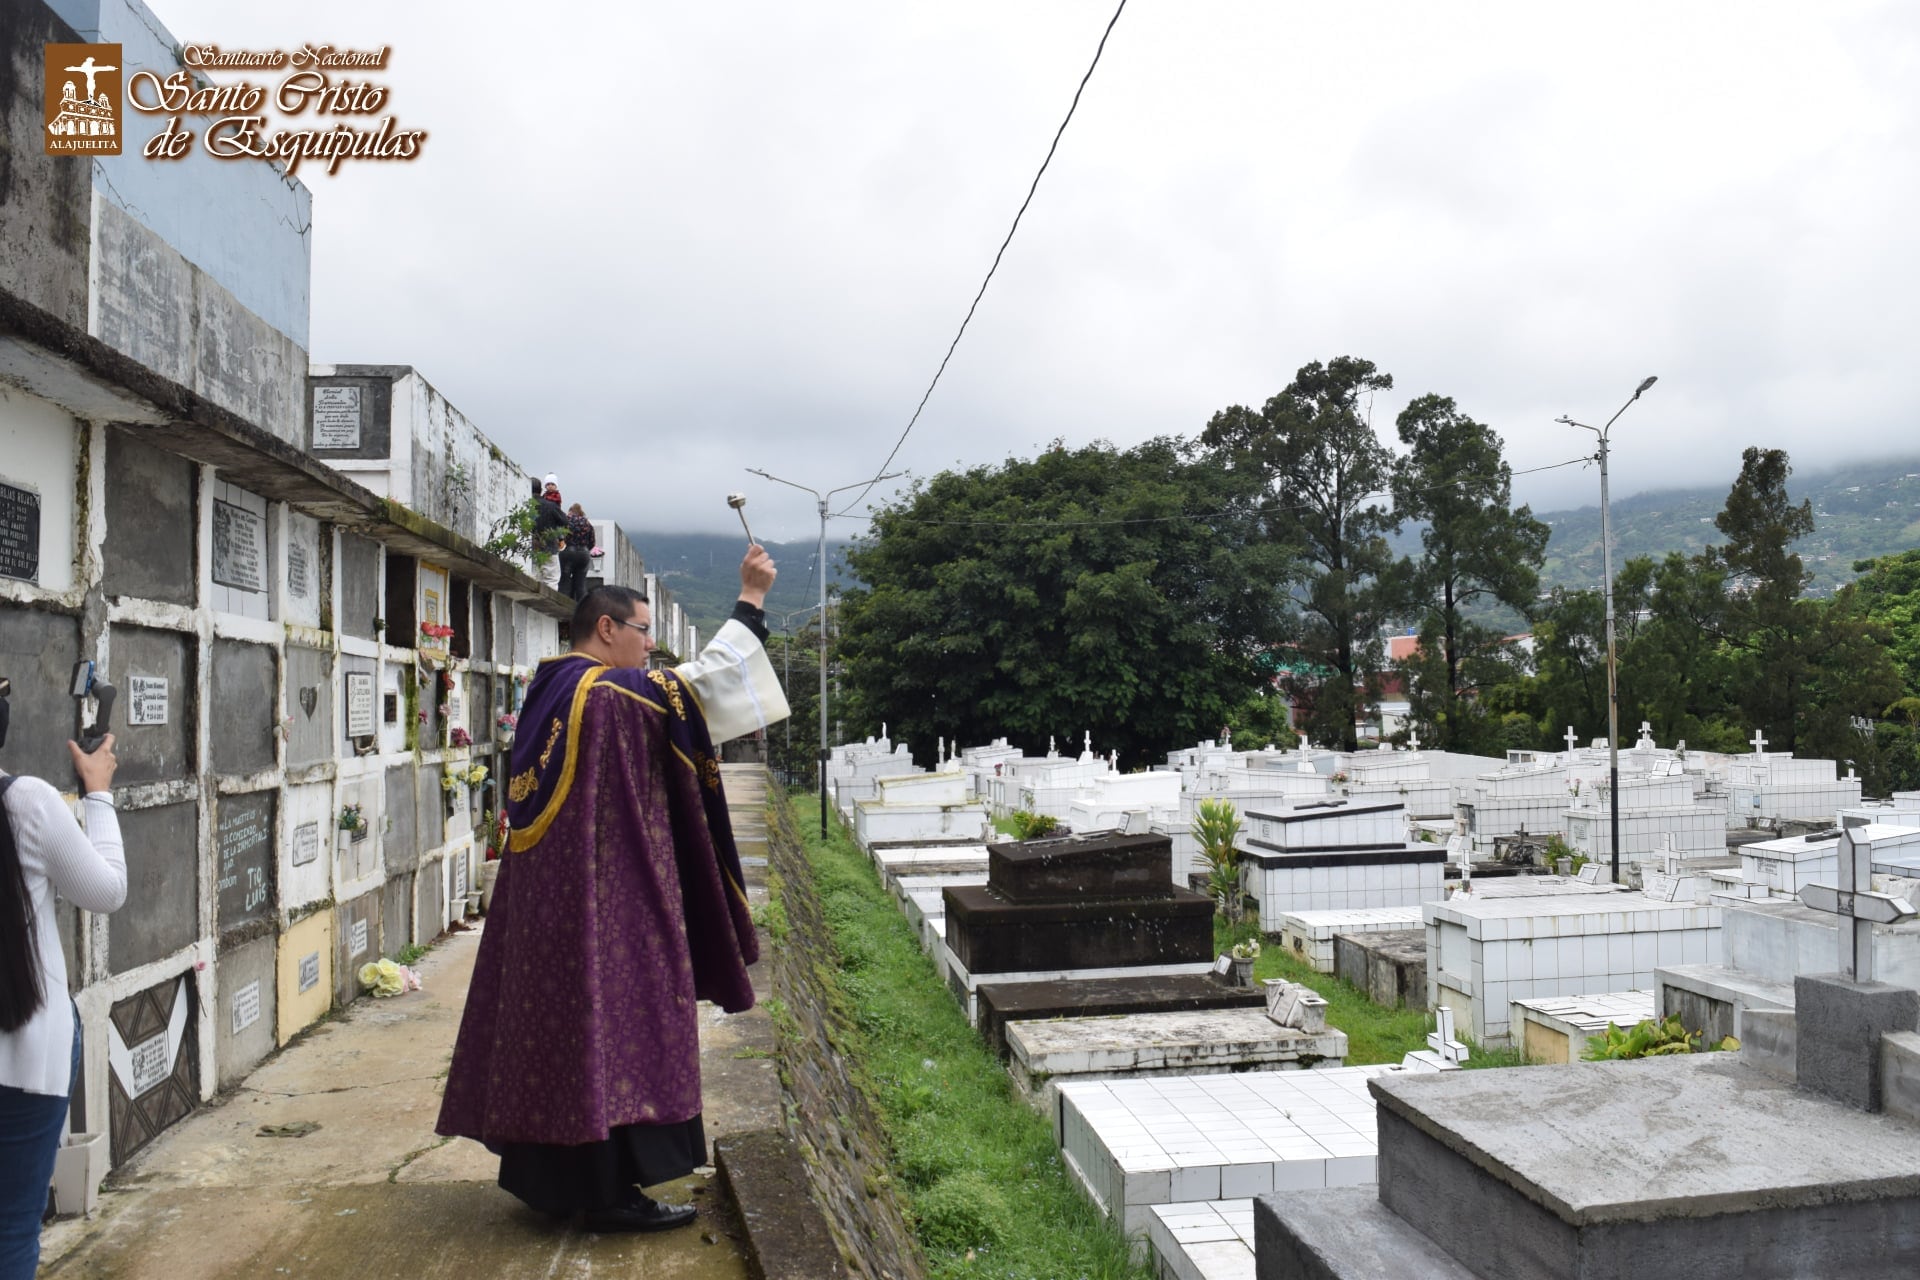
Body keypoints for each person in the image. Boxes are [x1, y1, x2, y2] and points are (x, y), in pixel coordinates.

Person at [437, 546, 788, 1233]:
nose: (652, 647)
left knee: (558, 1033)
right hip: (607, 905)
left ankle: (558, 1184)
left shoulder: (549, 688)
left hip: (550, 909)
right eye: (645, 632)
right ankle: (610, 1194)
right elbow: (703, 690)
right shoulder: (608, 694)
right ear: (607, 631)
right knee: (621, 1024)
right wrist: (751, 600)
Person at [0, 685, 126, 1280]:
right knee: (11, 1229)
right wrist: (97, 794)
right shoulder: (26, 802)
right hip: (27, 1061)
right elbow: (105, 891)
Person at [533, 475, 568, 592]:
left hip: (531, 547)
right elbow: (564, 521)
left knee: (535, 577)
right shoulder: (551, 505)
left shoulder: (524, 504)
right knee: (551, 579)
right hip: (549, 546)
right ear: (541, 489)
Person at [558, 503, 596, 603]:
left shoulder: (566, 520)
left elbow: (560, 537)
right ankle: (581, 611)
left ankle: (563, 608)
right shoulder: (587, 523)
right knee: (581, 584)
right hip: (583, 553)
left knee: (564, 581)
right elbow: (592, 542)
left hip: (568, 552)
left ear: (570, 511)